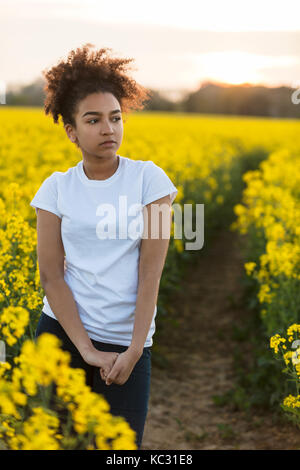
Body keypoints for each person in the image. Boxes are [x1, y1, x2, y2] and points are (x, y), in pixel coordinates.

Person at [30, 43, 178, 450]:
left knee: (120, 451)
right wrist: (86, 350)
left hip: (128, 342)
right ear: (72, 131)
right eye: (93, 120)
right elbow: (51, 275)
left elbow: (151, 272)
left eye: (115, 118)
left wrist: (133, 349)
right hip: (62, 336)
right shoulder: (54, 189)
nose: (108, 128)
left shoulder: (153, 182)